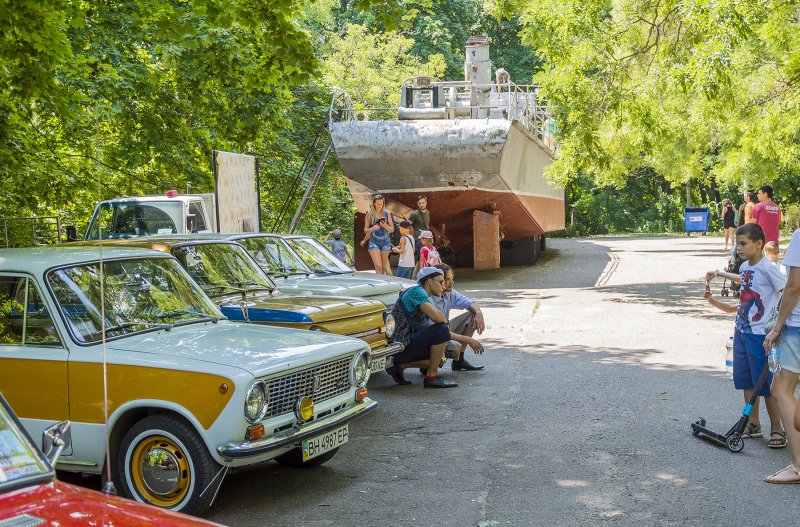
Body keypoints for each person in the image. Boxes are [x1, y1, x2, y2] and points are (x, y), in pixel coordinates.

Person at [705, 223, 785, 448]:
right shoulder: (744, 267)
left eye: (743, 244)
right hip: (741, 330)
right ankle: (753, 424)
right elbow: (745, 282)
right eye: (737, 243)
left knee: (766, 383)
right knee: (747, 380)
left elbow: (786, 292)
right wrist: (719, 273)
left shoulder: (769, 268)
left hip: (760, 334)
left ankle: (777, 428)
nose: (738, 248)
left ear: (758, 244)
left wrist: (778, 326)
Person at [762, 225, 800, 483]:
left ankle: (798, 466)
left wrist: (777, 327)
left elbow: (794, 287)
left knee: (781, 389)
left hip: (797, 327)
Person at [384, 267, 458, 388]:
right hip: (400, 348)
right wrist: (445, 322)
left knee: (441, 356)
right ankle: (431, 377)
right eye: (441, 282)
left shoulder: (421, 295)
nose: (443, 287)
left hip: (404, 347)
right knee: (442, 328)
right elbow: (439, 319)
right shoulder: (417, 291)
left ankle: (399, 366)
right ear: (429, 282)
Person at [431, 264, 486, 371]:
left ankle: (459, 361)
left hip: (443, 330)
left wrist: (479, 313)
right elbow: (436, 330)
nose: (452, 282)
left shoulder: (449, 293)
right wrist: (468, 339)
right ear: (439, 280)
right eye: (447, 279)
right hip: (432, 335)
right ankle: (430, 362)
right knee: (454, 346)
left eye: (452, 278)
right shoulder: (429, 298)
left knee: (473, 314)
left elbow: (469, 302)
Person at [363, 194, 395, 275]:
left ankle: (382, 284)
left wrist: (385, 226)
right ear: (374, 203)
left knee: (383, 268)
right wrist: (372, 228)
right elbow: (365, 230)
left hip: (385, 242)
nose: (380, 206)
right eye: (378, 204)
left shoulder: (387, 213)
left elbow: (392, 229)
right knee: (378, 266)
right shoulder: (369, 214)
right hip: (374, 242)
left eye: (382, 204)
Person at [409, 196, 430, 277]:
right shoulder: (415, 214)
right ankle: (421, 276)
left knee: (422, 258)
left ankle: (415, 277)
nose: (421, 205)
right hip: (419, 239)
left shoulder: (428, 212)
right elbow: (408, 224)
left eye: (423, 203)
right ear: (417, 204)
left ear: (426, 203)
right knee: (421, 258)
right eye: (419, 203)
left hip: (427, 239)